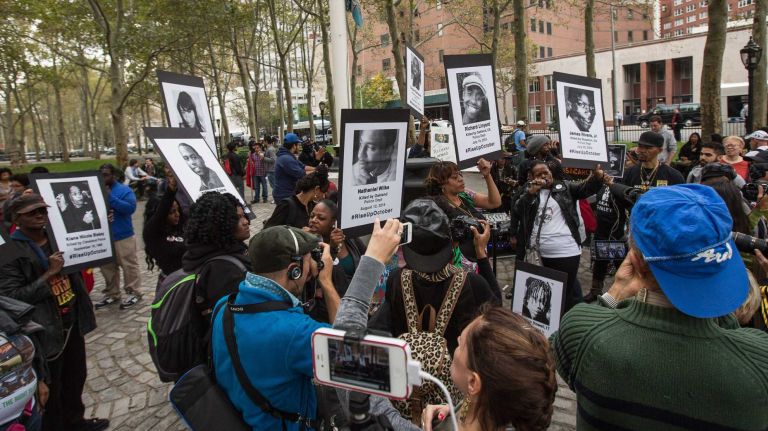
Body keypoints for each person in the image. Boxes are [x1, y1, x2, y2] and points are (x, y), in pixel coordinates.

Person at [550, 184, 768, 430]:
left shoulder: (582, 333)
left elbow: (559, 355)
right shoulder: (759, 359)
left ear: (636, 261)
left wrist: (615, 293)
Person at [209, 225, 338, 431]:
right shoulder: (297, 332)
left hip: (241, 417)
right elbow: (350, 357)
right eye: (308, 261)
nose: (311, 268)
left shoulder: (224, 305)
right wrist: (327, 283)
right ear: (294, 270)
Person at [0, 194, 108, 431]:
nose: (40, 215)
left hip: (71, 321)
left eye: (43, 210)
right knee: (52, 388)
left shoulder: (59, 237)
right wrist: (50, 273)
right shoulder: (9, 250)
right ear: (16, 218)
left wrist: (100, 231)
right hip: (45, 330)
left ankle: (75, 422)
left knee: (76, 377)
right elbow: (13, 297)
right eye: (32, 212)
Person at [369, 199, 497, 355]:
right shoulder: (473, 284)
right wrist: (481, 253)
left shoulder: (396, 279)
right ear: (453, 243)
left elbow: (379, 327)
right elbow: (497, 314)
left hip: (407, 367)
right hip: (456, 369)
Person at [511, 161, 607, 312]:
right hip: (538, 253)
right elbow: (517, 210)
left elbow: (586, 189)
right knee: (543, 292)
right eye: (539, 174)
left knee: (564, 294)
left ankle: (565, 321)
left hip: (565, 251)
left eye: (546, 172)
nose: (544, 176)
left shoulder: (565, 187)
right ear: (532, 177)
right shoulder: (529, 190)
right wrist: (530, 194)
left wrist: (596, 176)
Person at [181, 192, 251, 326]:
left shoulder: (203, 253)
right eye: (238, 218)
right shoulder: (224, 271)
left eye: (244, 216)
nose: (246, 221)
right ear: (220, 224)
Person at [95, 164, 142, 310]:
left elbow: (130, 208)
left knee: (129, 265)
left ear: (113, 176)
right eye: (101, 175)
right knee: (107, 268)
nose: (103, 178)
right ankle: (112, 293)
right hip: (103, 237)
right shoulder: (94, 190)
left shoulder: (124, 190)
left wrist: (110, 197)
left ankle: (134, 292)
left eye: (106, 175)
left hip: (123, 235)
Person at [142, 170, 185, 284]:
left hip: (188, 280)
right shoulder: (152, 233)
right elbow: (160, 213)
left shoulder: (181, 227)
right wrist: (171, 189)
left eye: (177, 210)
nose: (177, 214)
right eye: (171, 212)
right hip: (171, 283)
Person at [264, 165, 330, 229]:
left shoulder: (312, 206)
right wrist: (300, 233)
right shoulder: (286, 205)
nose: (323, 196)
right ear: (316, 189)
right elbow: (269, 230)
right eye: (323, 192)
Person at [274, 133, 315, 202]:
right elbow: (301, 174)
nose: (299, 147)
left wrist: (316, 168)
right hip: (284, 195)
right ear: (294, 146)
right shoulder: (286, 159)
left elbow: (303, 166)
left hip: (288, 193)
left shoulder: (288, 156)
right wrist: (317, 171)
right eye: (298, 145)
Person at [264, 136, 278, 202]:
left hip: (272, 169)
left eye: (264, 141)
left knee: (273, 185)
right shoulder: (270, 148)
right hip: (271, 169)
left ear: (266, 141)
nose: (263, 143)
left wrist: (263, 158)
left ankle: (276, 198)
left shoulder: (270, 149)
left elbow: (273, 160)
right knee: (273, 185)